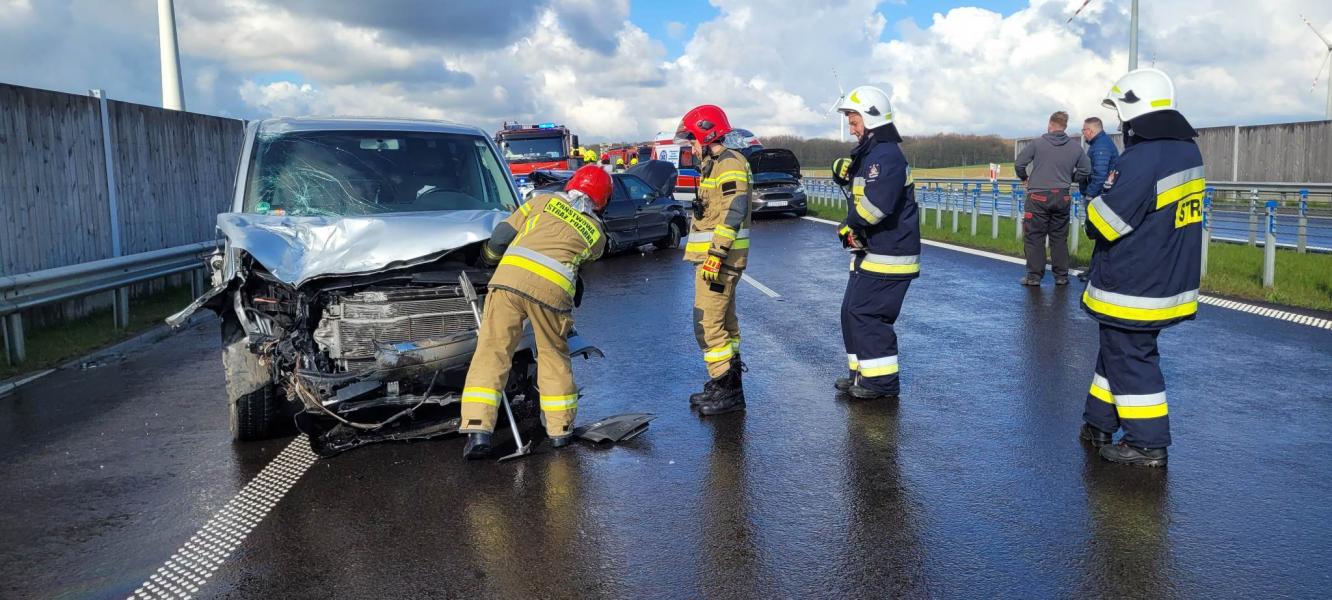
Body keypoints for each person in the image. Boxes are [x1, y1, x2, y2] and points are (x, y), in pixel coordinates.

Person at [1079, 68, 1204, 467]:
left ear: (1135, 112)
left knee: (1132, 359)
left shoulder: (1141, 158)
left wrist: (1090, 208)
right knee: (1116, 352)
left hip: (1134, 281)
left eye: (1121, 114)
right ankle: (1099, 422)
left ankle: (1147, 444)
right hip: (1168, 274)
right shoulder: (1187, 151)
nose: (1120, 123)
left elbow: (1106, 222)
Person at [458, 165, 612, 459]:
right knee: (554, 356)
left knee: (492, 353)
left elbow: (501, 236)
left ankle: (478, 431)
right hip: (552, 295)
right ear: (603, 201)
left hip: (508, 283)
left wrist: (488, 258)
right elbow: (577, 261)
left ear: (571, 185)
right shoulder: (597, 234)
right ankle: (560, 431)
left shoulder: (541, 201)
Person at [829, 85, 920, 401]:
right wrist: (843, 169)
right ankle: (862, 373)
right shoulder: (872, 154)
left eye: (854, 122)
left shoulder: (886, 155)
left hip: (890, 255)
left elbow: (876, 205)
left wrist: (849, 225)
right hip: (872, 252)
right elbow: (861, 182)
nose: (852, 129)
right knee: (851, 312)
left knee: (868, 315)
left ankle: (881, 383)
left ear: (871, 119)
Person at [676, 104, 753, 416]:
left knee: (707, 324)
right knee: (725, 324)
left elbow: (734, 209)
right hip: (717, 259)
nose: (691, 147)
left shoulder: (729, 163)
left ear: (707, 136)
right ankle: (727, 385)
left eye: (692, 140)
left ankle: (727, 390)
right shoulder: (715, 164)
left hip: (719, 260)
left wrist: (717, 253)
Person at [1015, 111, 1091, 286]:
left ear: (1050, 124)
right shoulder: (1075, 147)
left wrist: (1024, 178)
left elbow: (1019, 164)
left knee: (1035, 237)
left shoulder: (1038, 143)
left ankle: (1034, 276)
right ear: (1065, 126)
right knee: (1059, 237)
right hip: (1062, 196)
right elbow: (1086, 169)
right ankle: (1061, 276)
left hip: (1038, 196)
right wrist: (1071, 178)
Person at [1078, 117, 1120, 282]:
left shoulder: (1100, 147)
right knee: (1100, 237)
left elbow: (1100, 175)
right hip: (1103, 195)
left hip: (1100, 197)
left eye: (1084, 130)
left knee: (1099, 234)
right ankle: (1094, 270)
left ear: (1090, 130)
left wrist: (1089, 194)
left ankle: (1098, 273)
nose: (1083, 133)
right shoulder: (1100, 144)